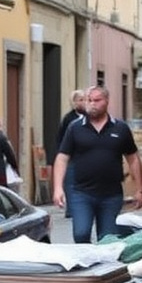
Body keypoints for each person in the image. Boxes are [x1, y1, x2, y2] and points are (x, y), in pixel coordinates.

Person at [53, 85, 142, 243]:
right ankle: (86, 264)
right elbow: (62, 157)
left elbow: (133, 158)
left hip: (111, 194)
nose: (92, 104)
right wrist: (58, 188)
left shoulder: (120, 128)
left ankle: (102, 267)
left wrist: (140, 190)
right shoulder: (75, 127)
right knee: (81, 234)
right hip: (81, 193)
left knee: (107, 239)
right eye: (89, 100)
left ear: (107, 101)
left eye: (97, 100)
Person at [55, 89, 87, 218]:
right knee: (70, 182)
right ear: (74, 102)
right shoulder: (69, 119)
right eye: (80, 100)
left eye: (85, 99)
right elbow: (60, 138)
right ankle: (71, 209)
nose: (84, 102)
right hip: (72, 156)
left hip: (85, 157)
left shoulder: (90, 116)